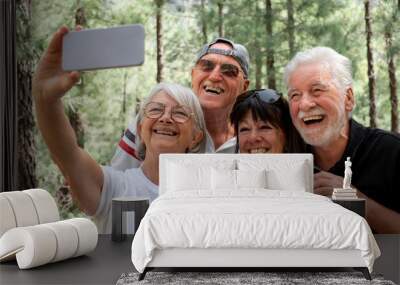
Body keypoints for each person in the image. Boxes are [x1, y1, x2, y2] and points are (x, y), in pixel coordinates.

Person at [32, 26, 206, 233]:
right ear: (141, 129)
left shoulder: (209, 197)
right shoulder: (115, 187)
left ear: (196, 137)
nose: (166, 118)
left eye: (180, 113)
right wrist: (46, 101)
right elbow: (66, 152)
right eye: (156, 109)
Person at [283, 46, 400, 233]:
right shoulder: (286, 160)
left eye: (317, 90)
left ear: (348, 98)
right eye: (294, 95)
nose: (304, 104)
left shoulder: (391, 151)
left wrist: (357, 201)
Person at [111, 37, 250, 170]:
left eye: (229, 71)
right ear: (193, 75)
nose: (214, 76)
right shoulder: (152, 123)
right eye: (206, 66)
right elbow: (120, 182)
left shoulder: (255, 133)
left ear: (244, 86)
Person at [229, 89, 305, 153]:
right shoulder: (222, 170)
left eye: (264, 127)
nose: (253, 137)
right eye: (244, 129)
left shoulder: (308, 170)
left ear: (287, 135)